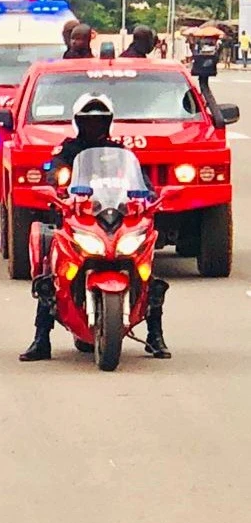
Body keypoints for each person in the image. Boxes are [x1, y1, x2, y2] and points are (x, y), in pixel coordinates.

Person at [19, 94, 171, 362]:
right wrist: (57, 184)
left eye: (100, 122)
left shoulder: (121, 152)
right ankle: (41, 339)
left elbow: (142, 182)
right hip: (80, 216)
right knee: (50, 274)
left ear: (108, 123)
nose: (94, 127)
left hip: (115, 217)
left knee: (148, 271)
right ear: (79, 123)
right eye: (89, 122)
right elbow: (53, 174)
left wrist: (148, 194)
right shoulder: (68, 151)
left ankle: (155, 336)